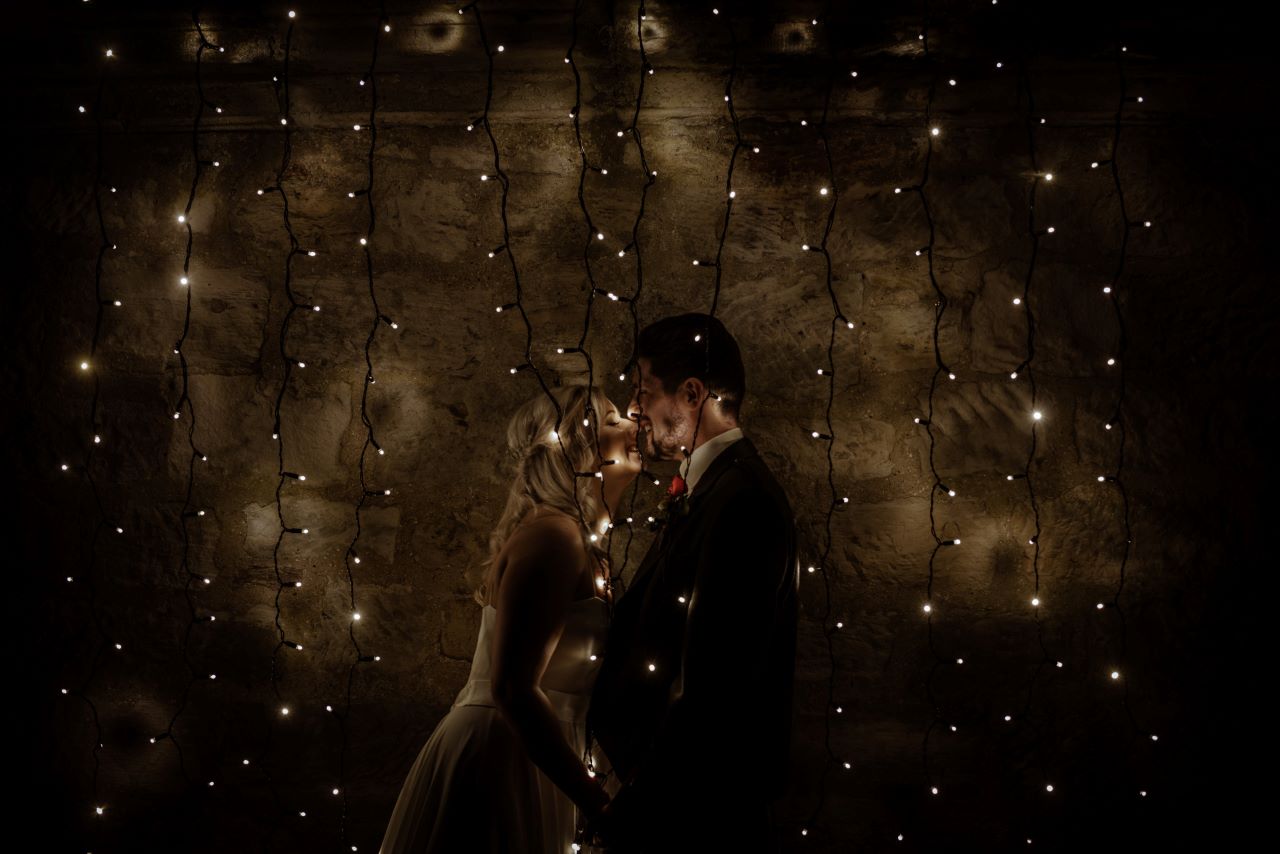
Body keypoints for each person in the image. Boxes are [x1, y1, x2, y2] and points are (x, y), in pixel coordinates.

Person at [379, 383, 641, 853]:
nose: (633, 425)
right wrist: (598, 804)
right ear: (573, 446)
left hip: (539, 755)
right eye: (613, 420)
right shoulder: (554, 539)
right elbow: (513, 690)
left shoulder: (577, 540)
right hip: (504, 759)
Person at [586, 313, 800, 852]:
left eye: (643, 391)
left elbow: (714, 685)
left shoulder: (743, 499)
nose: (634, 409)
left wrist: (633, 806)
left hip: (694, 813)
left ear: (691, 393)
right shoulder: (712, 488)